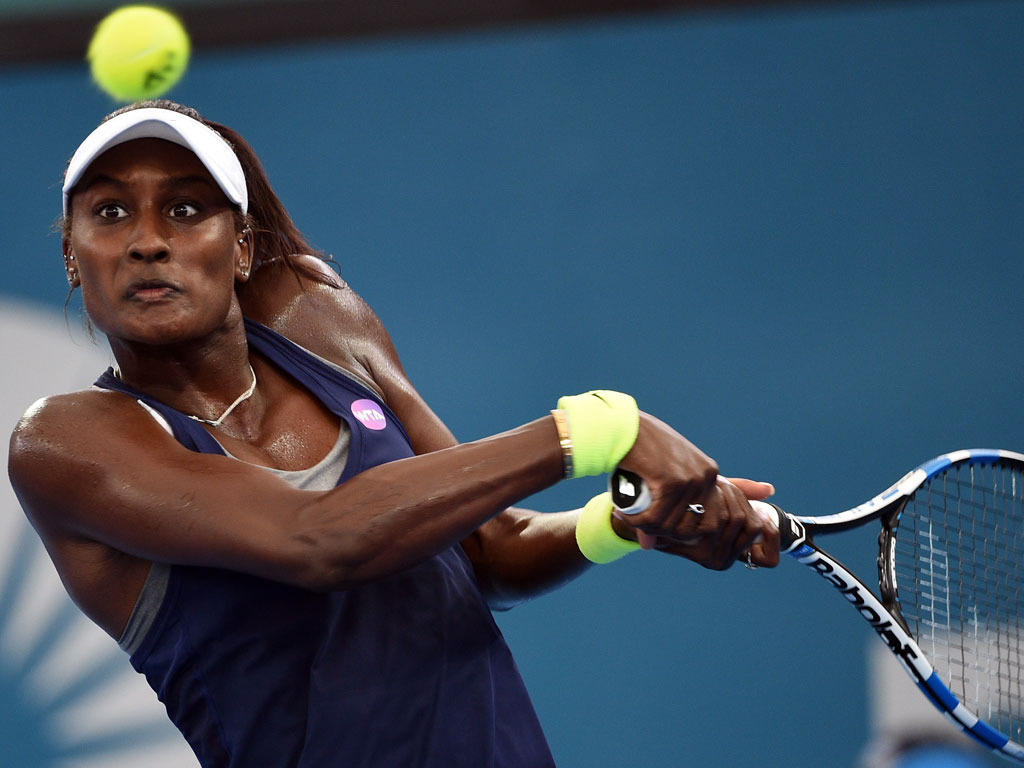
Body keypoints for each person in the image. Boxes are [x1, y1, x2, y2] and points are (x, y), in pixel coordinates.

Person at [8, 100, 780, 768]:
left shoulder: (320, 320)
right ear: (74, 258)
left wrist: (615, 524)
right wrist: (598, 429)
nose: (148, 240)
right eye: (110, 213)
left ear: (240, 247)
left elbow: (486, 548)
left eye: (185, 209)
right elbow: (320, 541)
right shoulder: (68, 444)